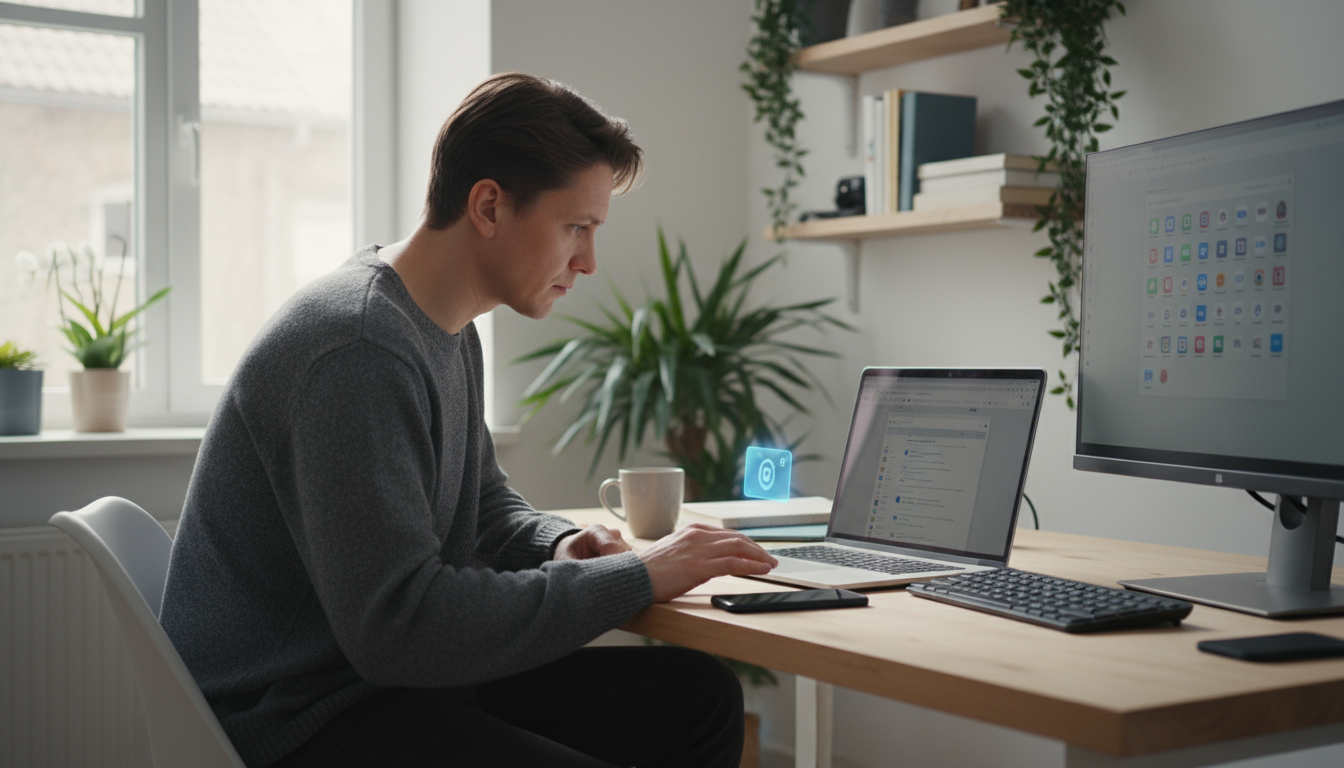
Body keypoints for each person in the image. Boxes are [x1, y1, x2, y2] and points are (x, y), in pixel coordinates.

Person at [160, 72, 779, 768]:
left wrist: (563, 543)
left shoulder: (443, 327)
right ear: (488, 205)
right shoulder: (358, 349)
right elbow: (403, 624)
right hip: (306, 720)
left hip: (384, 688)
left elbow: (480, 503)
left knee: (696, 697)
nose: (589, 261)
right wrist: (635, 577)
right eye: (576, 226)